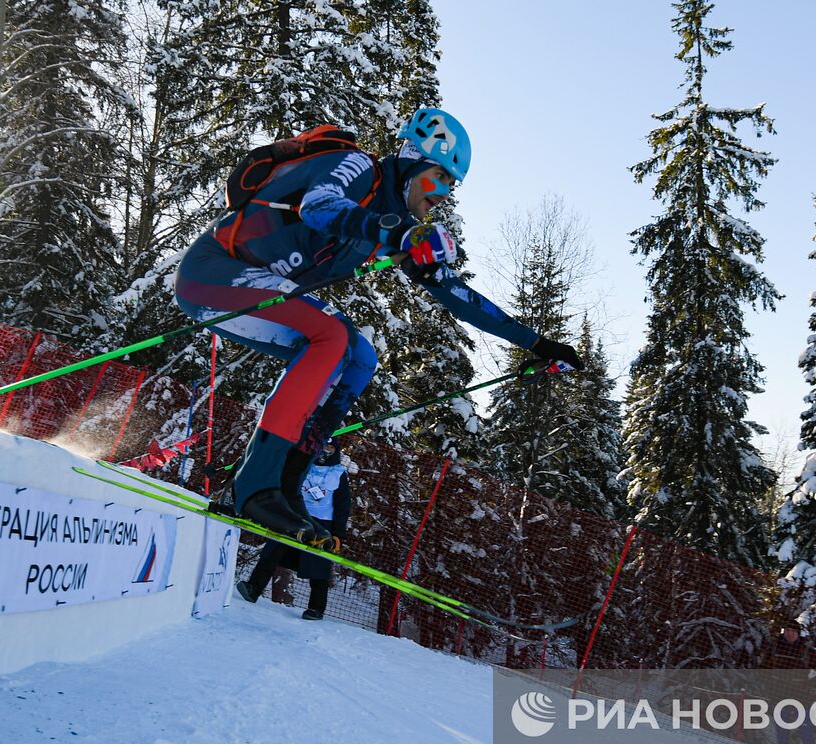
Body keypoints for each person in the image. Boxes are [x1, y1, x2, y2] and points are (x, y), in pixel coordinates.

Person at [174, 108, 581, 542]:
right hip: (213, 274)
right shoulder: (359, 168)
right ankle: (255, 487)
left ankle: (285, 486)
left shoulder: (399, 227)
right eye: (439, 177)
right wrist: (397, 236)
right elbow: (320, 206)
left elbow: (454, 294)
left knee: (359, 357)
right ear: (411, 159)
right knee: (329, 335)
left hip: (251, 287)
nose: (443, 192)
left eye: (451, 185)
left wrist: (536, 343)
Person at [236, 438, 351, 620]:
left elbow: (343, 506)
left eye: (330, 448)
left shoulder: (338, 474)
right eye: (324, 446)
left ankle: (316, 608)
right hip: (296, 516)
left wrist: (337, 534)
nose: (326, 452)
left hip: (322, 522)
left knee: (319, 564)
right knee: (273, 549)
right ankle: (253, 588)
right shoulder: (304, 465)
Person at [760, 619, 816, 744]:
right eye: (787, 630)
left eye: (793, 631)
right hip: (779, 696)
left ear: (798, 633)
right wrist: (770, 684)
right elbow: (763, 668)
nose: (790, 634)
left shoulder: (806, 651)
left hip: (801, 697)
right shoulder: (775, 647)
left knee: (806, 734)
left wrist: (810, 684)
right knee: (782, 733)